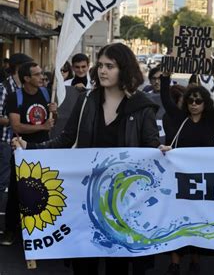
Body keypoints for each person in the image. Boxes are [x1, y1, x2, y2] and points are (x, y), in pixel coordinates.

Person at [13, 43, 160, 275]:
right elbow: (65, 140)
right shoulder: (86, 101)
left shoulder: (142, 106)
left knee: (118, 264)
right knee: (84, 261)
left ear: (124, 69)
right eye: (100, 65)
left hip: (123, 202)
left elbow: (152, 149)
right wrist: (29, 147)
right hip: (86, 198)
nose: (102, 71)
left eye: (109, 66)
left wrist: (163, 151)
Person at [159, 67, 214, 275]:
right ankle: (175, 262)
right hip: (178, 180)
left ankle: (195, 260)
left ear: (205, 103)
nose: (194, 105)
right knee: (177, 220)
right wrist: (165, 76)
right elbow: (165, 100)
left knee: (198, 220)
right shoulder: (180, 119)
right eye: (191, 101)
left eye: (199, 101)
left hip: (204, 182)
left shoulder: (211, 121)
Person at [0, 62, 56, 246]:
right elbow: (16, 126)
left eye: (42, 74)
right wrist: (42, 127)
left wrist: (55, 113)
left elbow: (54, 120)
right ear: (27, 79)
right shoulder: (15, 98)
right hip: (22, 150)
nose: (42, 77)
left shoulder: (46, 93)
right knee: (16, 191)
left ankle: (39, 229)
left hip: (44, 148)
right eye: (38, 74)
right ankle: (10, 230)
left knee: (44, 188)